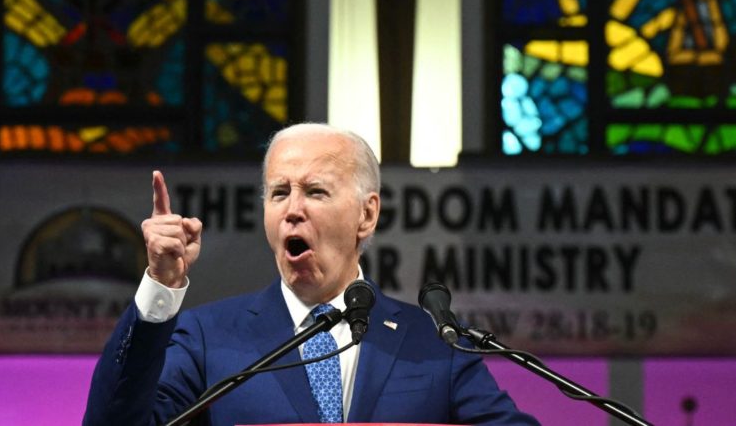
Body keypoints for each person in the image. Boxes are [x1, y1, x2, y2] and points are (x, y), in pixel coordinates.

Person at [83, 123, 539, 425]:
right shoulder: (207, 339)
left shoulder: (434, 343)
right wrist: (159, 286)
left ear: (366, 214)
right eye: (279, 192)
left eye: (316, 191)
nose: (293, 210)